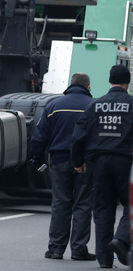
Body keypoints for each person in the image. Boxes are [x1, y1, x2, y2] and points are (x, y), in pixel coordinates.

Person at [72, 64, 133, 268]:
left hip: (98, 164)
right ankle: (122, 239)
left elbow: (78, 136)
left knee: (103, 209)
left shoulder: (95, 105)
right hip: (126, 162)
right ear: (128, 82)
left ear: (110, 81)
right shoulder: (131, 104)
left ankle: (105, 260)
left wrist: (78, 162)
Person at [29, 73, 95, 261]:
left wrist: (37, 159)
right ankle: (79, 249)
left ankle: (56, 249)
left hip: (59, 160)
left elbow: (39, 136)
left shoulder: (54, 106)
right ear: (88, 87)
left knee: (60, 203)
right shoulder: (93, 107)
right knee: (83, 204)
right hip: (85, 162)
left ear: (70, 85)